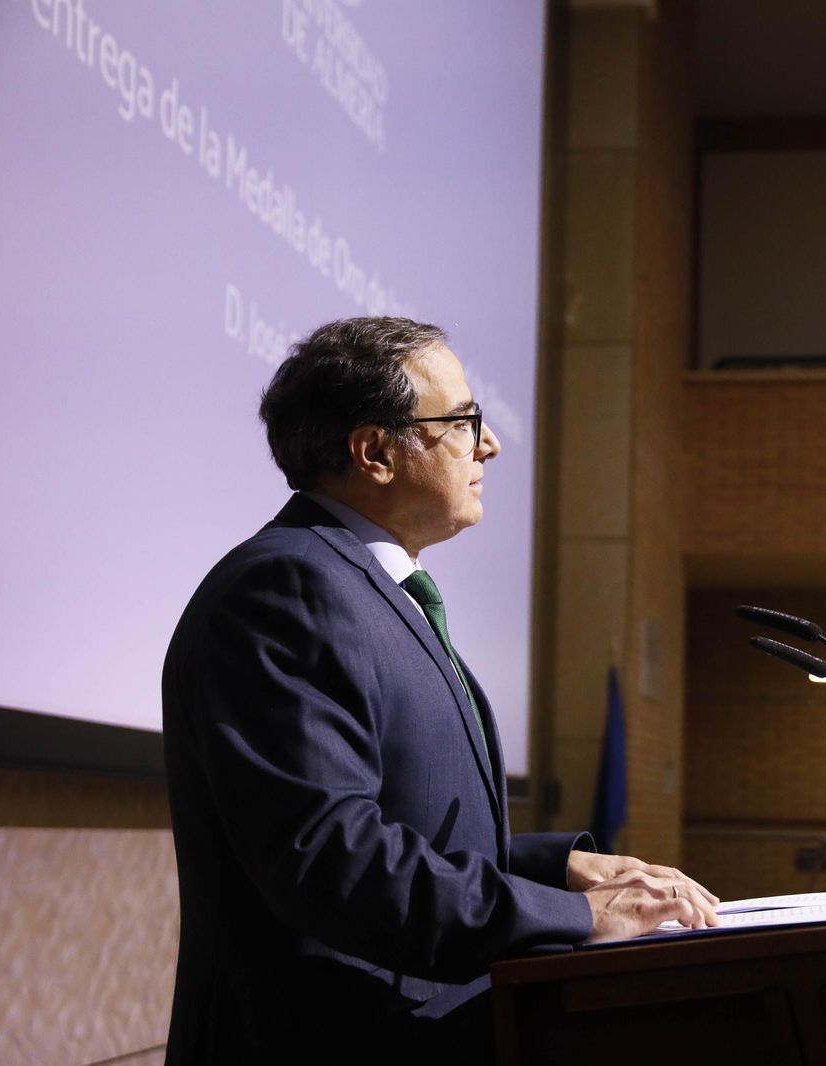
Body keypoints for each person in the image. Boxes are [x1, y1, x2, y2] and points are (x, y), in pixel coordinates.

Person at [162, 317, 718, 1064]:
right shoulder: (287, 589)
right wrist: (572, 915)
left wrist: (557, 867)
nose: (488, 444)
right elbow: (334, 859)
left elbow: (405, 828)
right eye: (463, 421)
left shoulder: (365, 590)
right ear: (375, 452)